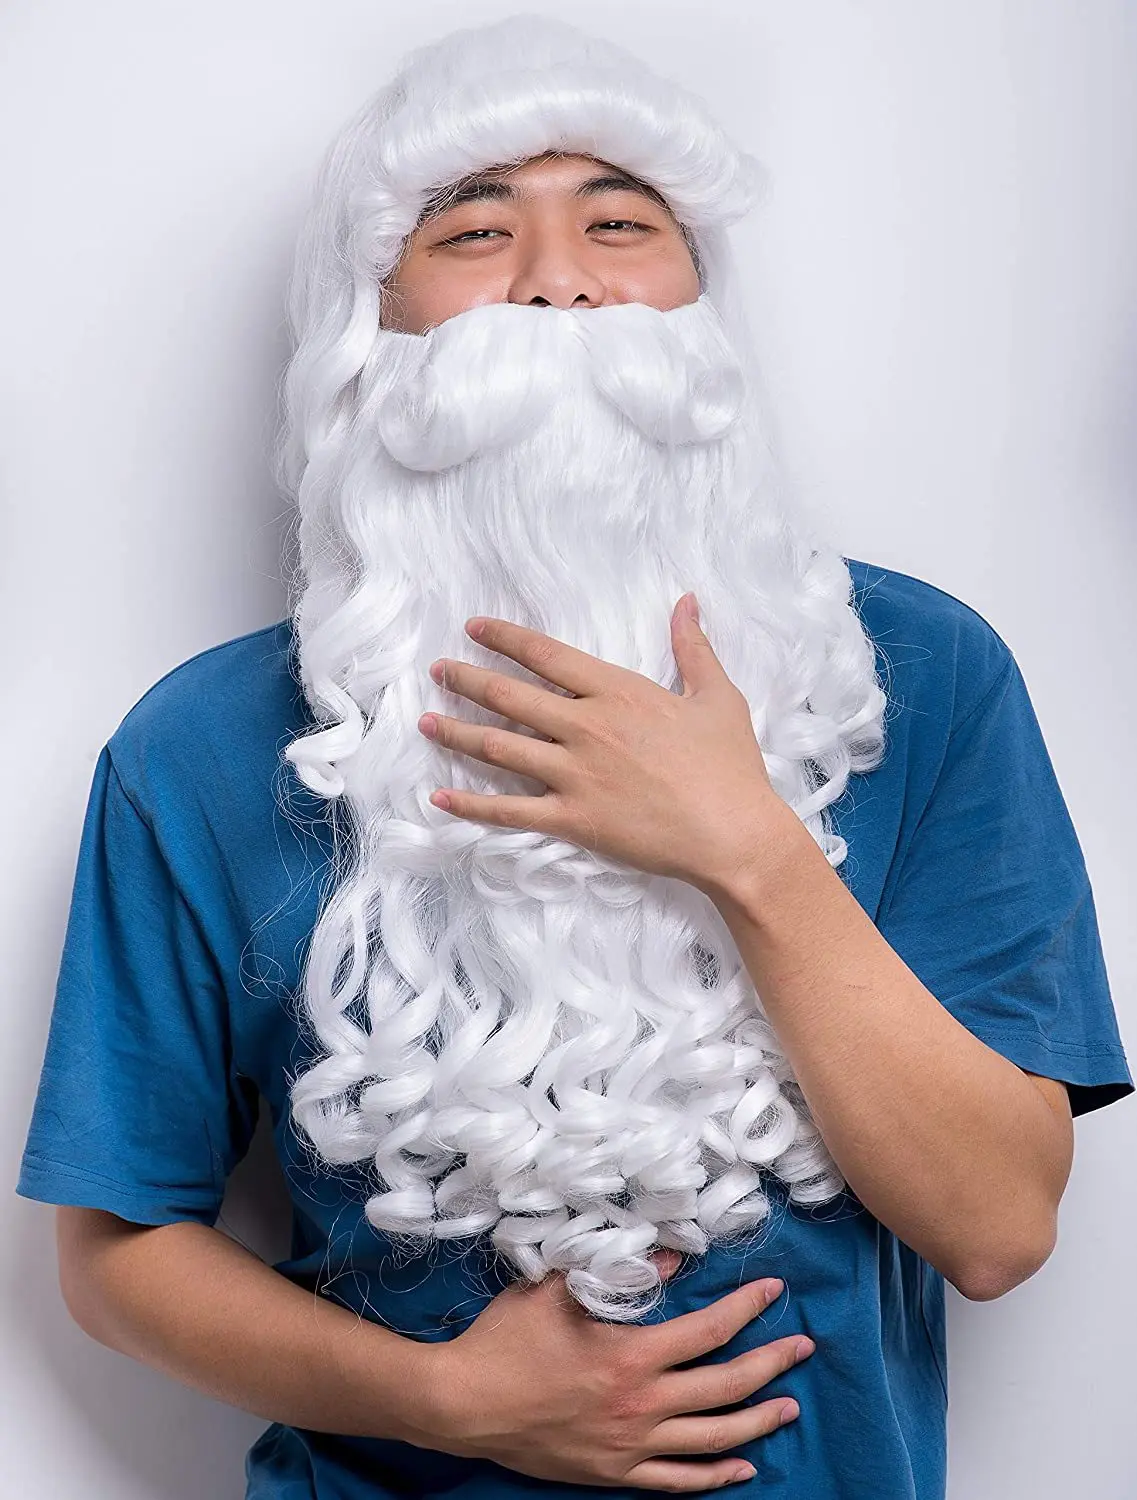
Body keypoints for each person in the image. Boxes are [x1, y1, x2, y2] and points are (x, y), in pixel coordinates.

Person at [16, 14, 1133, 1500]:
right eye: (474, 233)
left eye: (620, 222)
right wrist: (443, 1400)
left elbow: (997, 1227)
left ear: (698, 313)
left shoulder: (916, 677)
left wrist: (741, 845)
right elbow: (113, 1254)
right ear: (373, 330)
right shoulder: (207, 746)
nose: (558, 281)